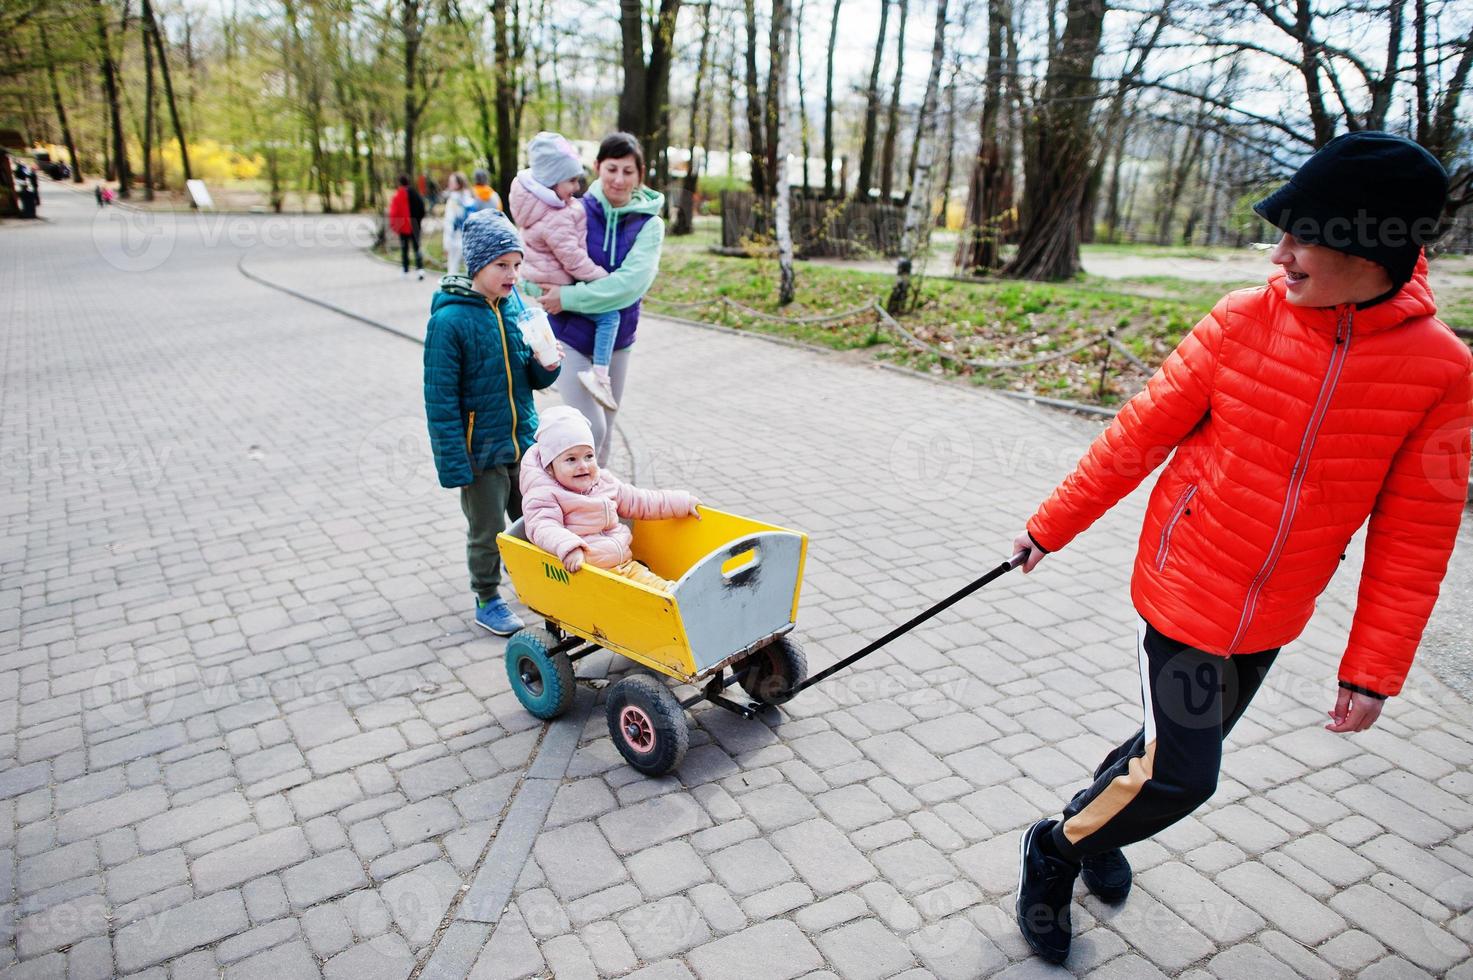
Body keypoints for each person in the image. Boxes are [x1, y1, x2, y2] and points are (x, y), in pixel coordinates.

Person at [1008, 131, 1472, 965]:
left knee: (1161, 754)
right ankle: (1055, 848)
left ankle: (1095, 819)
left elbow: (1417, 531)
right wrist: (1051, 525)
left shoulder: (1440, 370)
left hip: (1276, 610)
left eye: (1303, 233)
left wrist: (1372, 668)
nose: (1280, 251)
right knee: (1186, 773)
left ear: (1370, 244)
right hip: (1186, 587)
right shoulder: (1239, 321)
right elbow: (1134, 435)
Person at [424, 210, 563, 635]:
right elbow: (440, 399)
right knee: (487, 530)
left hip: (522, 440)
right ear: (477, 265)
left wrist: (547, 364)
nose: (513, 274)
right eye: (502, 265)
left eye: (517, 264)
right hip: (479, 449)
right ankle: (486, 596)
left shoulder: (515, 307)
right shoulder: (449, 322)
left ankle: (542, 585)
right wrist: (453, 463)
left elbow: (530, 374)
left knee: (536, 516)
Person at [533, 132, 666, 468]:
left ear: (640, 174)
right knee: (591, 431)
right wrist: (547, 292)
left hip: (617, 342)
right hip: (568, 336)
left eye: (627, 171)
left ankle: (596, 511)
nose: (619, 179)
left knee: (602, 441)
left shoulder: (650, 224)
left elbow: (628, 287)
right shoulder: (572, 209)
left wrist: (569, 296)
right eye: (611, 169)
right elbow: (541, 258)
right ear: (597, 167)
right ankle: (556, 499)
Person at [520, 406, 700, 590]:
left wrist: (680, 502)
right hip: (587, 575)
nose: (582, 466)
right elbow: (542, 526)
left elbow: (639, 500)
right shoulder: (545, 494)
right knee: (655, 597)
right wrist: (570, 547)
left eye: (588, 456)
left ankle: (678, 596)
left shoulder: (603, 482)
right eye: (571, 459)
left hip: (624, 566)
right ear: (550, 467)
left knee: (666, 592)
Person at [509, 132, 623, 411]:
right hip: (553, 283)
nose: (576, 187)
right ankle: (599, 375)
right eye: (571, 180)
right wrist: (603, 278)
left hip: (541, 281)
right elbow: (572, 259)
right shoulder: (554, 217)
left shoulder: (546, 206)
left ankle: (548, 375)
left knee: (544, 332)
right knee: (609, 315)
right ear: (551, 181)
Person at [388, 174, 426, 279]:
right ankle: (420, 269)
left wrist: (395, 225)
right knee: (417, 247)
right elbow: (422, 208)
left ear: (400, 182)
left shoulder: (398, 194)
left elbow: (394, 212)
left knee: (404, 248)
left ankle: (405, 270)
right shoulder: (415, 193)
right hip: (415, 224)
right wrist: (418, 220)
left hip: (403, 226)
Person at [442, 172, 474, 276]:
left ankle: (451, 291)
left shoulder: (453, 201)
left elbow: (449, 223)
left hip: (455, 239)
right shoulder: (470, 199)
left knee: (452, 271)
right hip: (469, 239)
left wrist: (446, 243)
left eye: (451, 182)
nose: (449, 184)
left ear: (458, 184)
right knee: (470, 272)